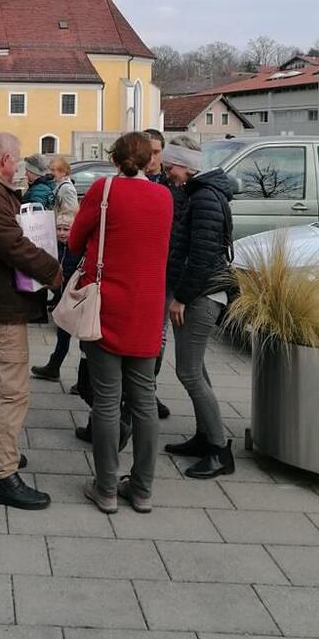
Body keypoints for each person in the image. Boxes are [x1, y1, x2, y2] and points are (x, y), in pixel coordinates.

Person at [68, 132, 173, 514]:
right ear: (150, 161)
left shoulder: (104, 189)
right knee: (144, 400)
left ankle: (106, 487)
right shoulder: (164, 197)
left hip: (107, 306)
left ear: (114, 159)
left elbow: (75, 241)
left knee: (108, 401)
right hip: (147, 309)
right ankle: (143, 489)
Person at [0, 132, 62, 510]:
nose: (19, 167)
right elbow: (11, 244)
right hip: (0, 303)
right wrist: (52, 270)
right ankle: (2, 473)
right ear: (4, 158)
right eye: (17, 160)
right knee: (14, 389)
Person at [163, 136, 236, 479]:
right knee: (196, 370)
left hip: (202, 296)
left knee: (188, 372)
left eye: (171, 167)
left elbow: (203, 256)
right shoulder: (200, 193)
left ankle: (220, 451)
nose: (168, 173)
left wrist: (181, 297)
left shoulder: (205, 197)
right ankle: (205, 436)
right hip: (198, 294)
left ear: (187, 166)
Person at [143, 127, 175, 421]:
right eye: (147, 151)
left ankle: (147, 389)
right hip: (139, 272)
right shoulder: (131, 180)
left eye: (156, 152)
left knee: (159, 336)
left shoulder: (171, 184)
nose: (151, 158)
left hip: (165, 273)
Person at [30, 213, 83, 382]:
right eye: (58, 229)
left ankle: (84, 379)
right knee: (63, 334)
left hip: (77, 297)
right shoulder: (56, 247)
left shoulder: (79, 248)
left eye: (66, 229)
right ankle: (54, 366)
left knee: (84, 340)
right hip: (62, 297)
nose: (61, 233)